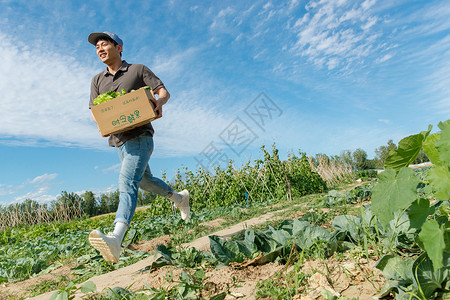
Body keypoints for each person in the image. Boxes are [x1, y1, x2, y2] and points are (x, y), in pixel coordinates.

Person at [87, 31, 190, 263]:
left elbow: (163, 91)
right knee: (144, 181)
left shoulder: (137, 70)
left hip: (141, 136)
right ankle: (179, 198)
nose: (100, 49)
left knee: (126, 181)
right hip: (119, 141)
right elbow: (94, 112)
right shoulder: (97, 80)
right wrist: (102, 120)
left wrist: (158, 101)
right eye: (96, 47)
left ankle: (116, 238)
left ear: (119, 47)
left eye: (104, 44)